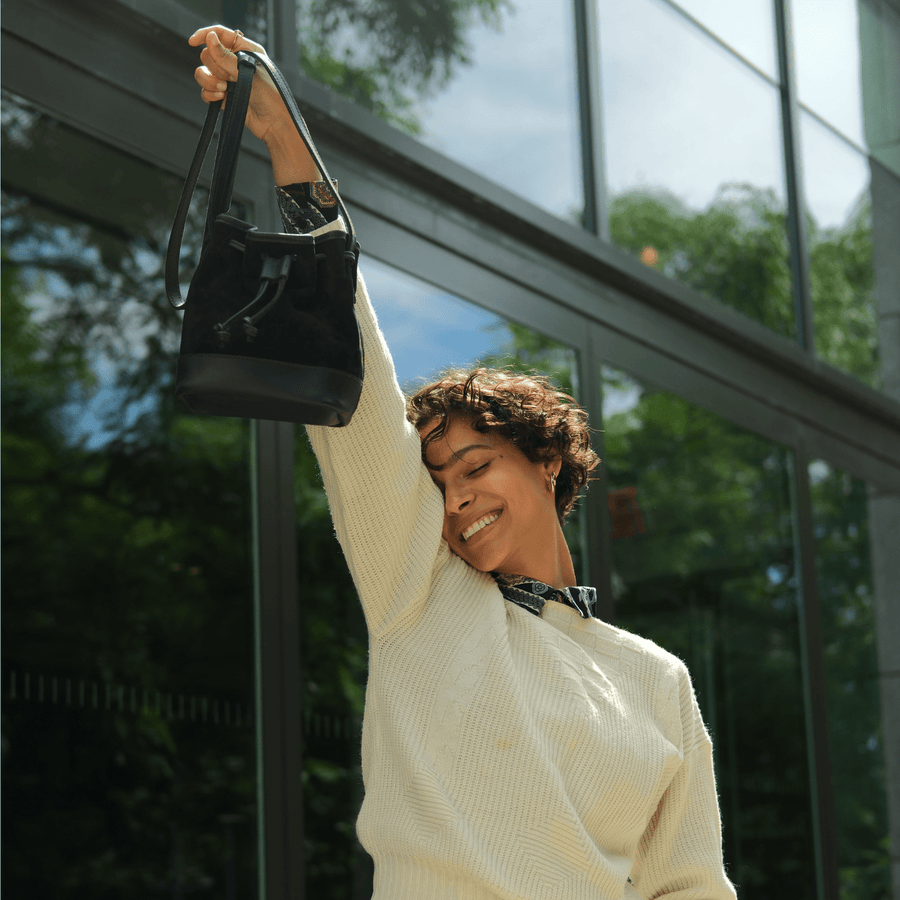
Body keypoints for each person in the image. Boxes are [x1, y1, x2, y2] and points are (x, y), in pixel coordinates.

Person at [188, 25, 739, 900]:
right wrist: (286, 143)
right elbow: (361, 403)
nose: (455, 499)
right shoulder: (420, 593)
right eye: (438, 480)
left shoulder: (656, 680)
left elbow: (691, 884)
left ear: (548, 462)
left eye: (476, 465)